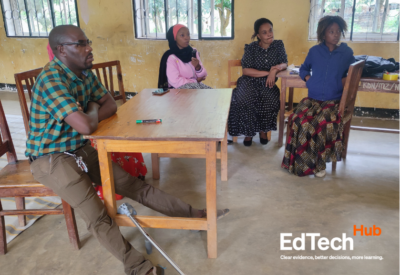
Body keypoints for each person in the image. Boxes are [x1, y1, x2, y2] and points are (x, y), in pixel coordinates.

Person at [28, 25, 228, 275]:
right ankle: (138, 268)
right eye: (80, 44)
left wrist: (89, 112)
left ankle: (196, 216)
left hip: (78, 149)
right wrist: (90, 112)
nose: (89, 48)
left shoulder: (83, 72)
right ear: (61, 50)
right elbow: (85, 125)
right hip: (51, 158)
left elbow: (110, 105)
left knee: (136, 186)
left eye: (87, 41)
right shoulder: (51, 79)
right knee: (97, 216)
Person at [281, 15, 356, 178]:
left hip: (333, 101)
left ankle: (318, 165)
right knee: (298, 119)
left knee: (321, 123)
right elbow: (304, 69)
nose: (336, 35)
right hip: (313, 99)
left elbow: (353, 73)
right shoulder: (314, 52)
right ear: (323, 34)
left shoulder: (346, 52)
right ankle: (297, 162)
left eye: (338, 31)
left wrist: (343, 82)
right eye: (331, 31)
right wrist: (309, 80)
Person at [228, 18, 288, 146]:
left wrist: (274, 71)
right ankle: (248, 133)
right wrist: (269, 72)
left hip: (267, 83)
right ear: (258, 35)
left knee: (270, 99)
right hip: (249, 81)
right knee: (244, 98)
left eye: (270, 30)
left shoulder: (278, 45)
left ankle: (263, 130)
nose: (269, 34)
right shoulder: (251, 48)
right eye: (264, 32)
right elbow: (246, 71)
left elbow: (284, 63)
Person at [158, 24, 210, 89]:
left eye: (188, 34)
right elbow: (175, 81)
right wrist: (195, 81)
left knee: (213, 94)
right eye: (182, 35)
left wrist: (198, 67)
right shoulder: (171, 57)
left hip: (195, 87)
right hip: (178, 91)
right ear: (174, 38)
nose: (187, 38)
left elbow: (203, 75)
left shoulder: (193, 52)